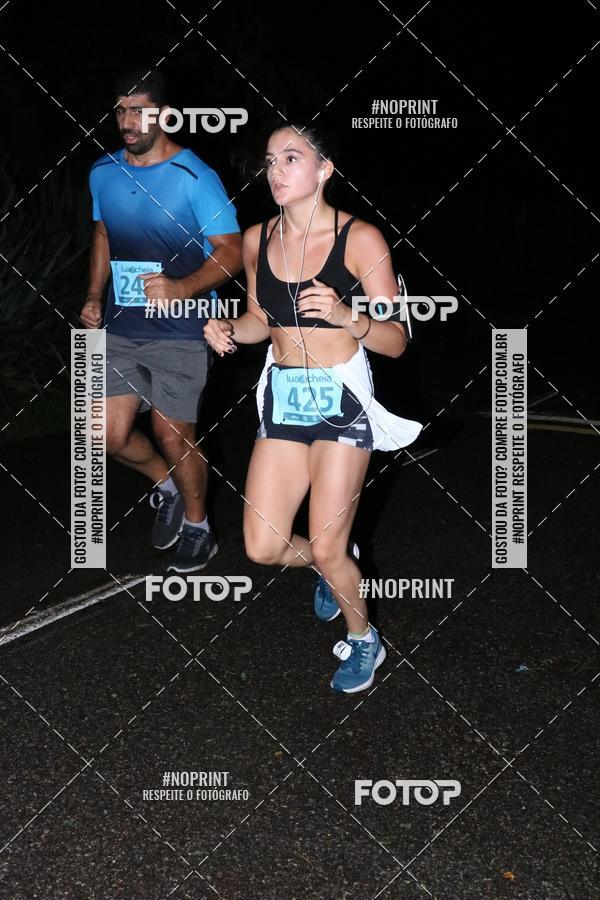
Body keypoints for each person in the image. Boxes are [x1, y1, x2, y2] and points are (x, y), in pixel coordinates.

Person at [204, 124, 421, 693]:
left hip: (342, 399)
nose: (275, 171)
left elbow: (397, 340)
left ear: (324, 169)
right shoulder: (257, 238)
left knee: (325, 543)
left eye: (291, 158)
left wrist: (349, 317)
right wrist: (228, 328)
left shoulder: (361, 239)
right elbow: (260, 321)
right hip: (282, 396)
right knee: (263, 546)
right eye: (270, 160)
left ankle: (364, 638)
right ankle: (336, 559)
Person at [80, 68, 242, 572]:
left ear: (165, 116)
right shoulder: (103, 171)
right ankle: (164, 484)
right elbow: (103, 235)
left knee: (173, 434)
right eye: (120, 110)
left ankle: (198, 527)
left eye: (139, 110)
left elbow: (232, 251)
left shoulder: (196, 177)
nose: (127, 121)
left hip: (182, 326)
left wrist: (182, 287)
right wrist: (94, 296)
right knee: (101, 434)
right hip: (121, 326)